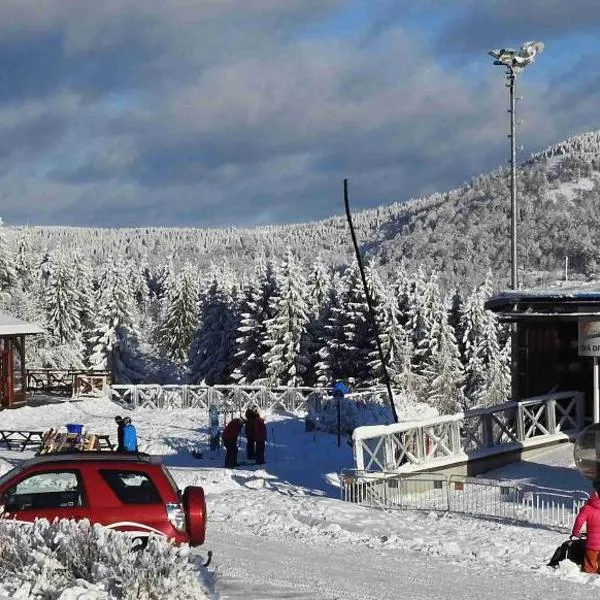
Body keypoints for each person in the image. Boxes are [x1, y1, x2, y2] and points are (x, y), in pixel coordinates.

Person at [572, 487, 600, 573]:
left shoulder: (587, 508)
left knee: (590, 565)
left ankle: (588, 580)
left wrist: (576, 532)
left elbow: (579, 520)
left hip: (592, 544)